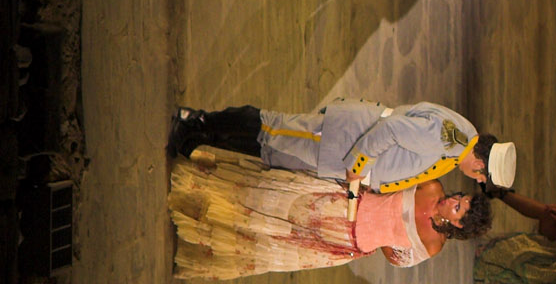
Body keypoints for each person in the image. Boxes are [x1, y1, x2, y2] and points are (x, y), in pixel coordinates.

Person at [167, 147, 491, 279]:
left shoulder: (432, 244)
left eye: (458, 206)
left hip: (344, 243)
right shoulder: (431, 187)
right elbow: (391, 178)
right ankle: (199, 192)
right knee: (267, 198)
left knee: (273, 240)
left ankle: (205, 225)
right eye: (460, 196)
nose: (454, 198)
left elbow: (396, 258)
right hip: (343, 202)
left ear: (458, 225)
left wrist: (381, 235)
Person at [167, 99, 516, 201]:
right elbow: (391, 130)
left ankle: (202, 135)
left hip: (345, 155)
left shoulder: (458, 145)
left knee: (272, 152)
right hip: (346, 140)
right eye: (480, 177)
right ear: (481, 166)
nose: (476, 180)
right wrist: (359, 165)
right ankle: (197, 120)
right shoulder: (448, 140)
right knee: (272, 129)